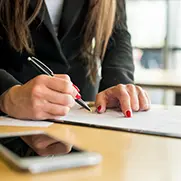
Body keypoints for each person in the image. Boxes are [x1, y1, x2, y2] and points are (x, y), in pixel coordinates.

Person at [0, 0, 150, 155]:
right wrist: (6, 94)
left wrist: (119, 85)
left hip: (82, 109)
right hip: (14, 116)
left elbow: (117, 35)